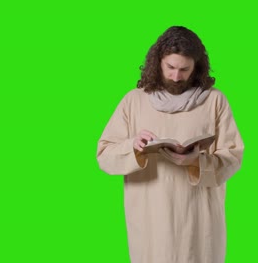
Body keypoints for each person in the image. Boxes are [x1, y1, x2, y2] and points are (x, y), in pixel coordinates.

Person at [97, 26, 244, 263]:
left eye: (184, 69)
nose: (176, 77)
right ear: (158, 63)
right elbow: (104, 155)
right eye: (171, 68)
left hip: (199, 219)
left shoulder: (215, 101)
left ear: (196, 67)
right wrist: (133, 147)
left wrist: (197, 161)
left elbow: (233, 156)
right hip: (150, 219)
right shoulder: (134, 101)